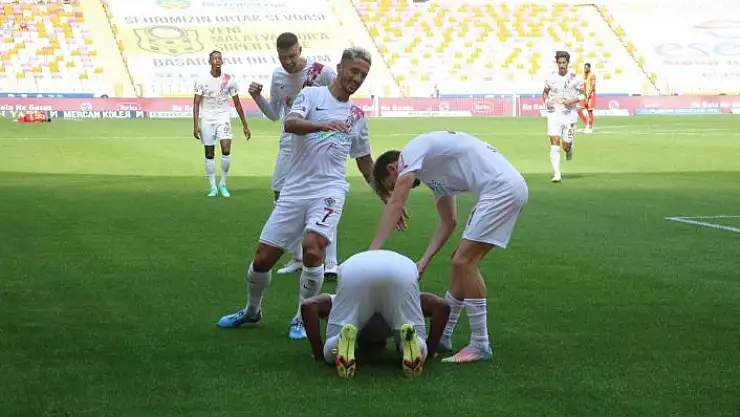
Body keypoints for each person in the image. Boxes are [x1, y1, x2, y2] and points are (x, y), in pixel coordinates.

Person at [217, 47, 392, 340]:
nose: (357, 78)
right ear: (340, 67)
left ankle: (301, 317)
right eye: (354, 71)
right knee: (262, 259)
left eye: (363, 74)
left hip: (330, 190)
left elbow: (364, 161)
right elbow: (290, 123)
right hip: (295, 189)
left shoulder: (357, 115)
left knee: (313, 248)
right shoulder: (312, 95)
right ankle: (251, 310)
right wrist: (322, 124)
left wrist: (387, 199)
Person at [369, 130, 528, 363]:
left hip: (501, 191)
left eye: (391, 185)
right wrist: (424, 261)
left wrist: (371, 253)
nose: (399, 189)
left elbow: (395, 204)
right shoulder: (433, 174)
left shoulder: (411, 152)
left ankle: (480, 344)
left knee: (464, 262)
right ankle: (443, 336)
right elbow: (448, 222)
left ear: (393, 168)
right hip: (501, 191)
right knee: (459, 261)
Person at [249, 32, 340, 277]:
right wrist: (257, 97)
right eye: (283, 58)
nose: (288, 62)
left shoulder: (322, 72)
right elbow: (274, 114)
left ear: (300, 50)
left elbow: (340, 100)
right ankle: (298, 256)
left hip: (318, 143)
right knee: (280, 194)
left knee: (324, 196)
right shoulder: (278, 76)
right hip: (289, 143)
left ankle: (331, 263)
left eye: (291, 56)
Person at [300, 250, 451, 378]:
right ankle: (416, 344)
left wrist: (319, 353)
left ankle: (337, 345)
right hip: (401, 270)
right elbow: (442, 306)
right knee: (412, 339)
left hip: (355, 271)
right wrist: (430, 350)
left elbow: (309, 305)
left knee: (331, 352)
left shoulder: (336, 302)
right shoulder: (339, 302)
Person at [193, 50, 251, 197]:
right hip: (207, 119)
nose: (217, 61)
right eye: (214, 59)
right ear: (210, 62)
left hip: (223, 118)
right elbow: (196, 103)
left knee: (226, 149)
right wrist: (195, 125)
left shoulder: (229, 80)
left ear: (222, 61)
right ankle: (213, 187)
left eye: (219, 58)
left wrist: (245, 125)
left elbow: (237, 104)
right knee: (209, 153)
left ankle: (223, 184)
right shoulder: (202, 80)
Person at [542, 50, 585, 183]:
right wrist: (547, 101)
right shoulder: (551, 79)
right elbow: (545, 92)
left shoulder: (575, 78)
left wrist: (573, 100)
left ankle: (569, 149)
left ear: (567, 63)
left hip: (569, 114)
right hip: (554, 113)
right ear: (557, 63)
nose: (561, 65)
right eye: (559, 62)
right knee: (554, 141)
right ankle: (557, 173)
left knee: (566, 146)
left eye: (564, 62)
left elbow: (584, 95)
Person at [577, 62, 596, 133]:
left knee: (589, 111)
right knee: (578, 109)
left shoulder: (592, 75)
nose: (585, 69)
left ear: (589, 68)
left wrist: (588, 97)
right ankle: (586, 125)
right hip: (585, 95)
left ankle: (590, 128)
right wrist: (583, 94)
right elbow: (583, 86)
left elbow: (592, 86)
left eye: (586, 68)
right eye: (584, 67)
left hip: (591, 95)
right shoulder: (584, 75)